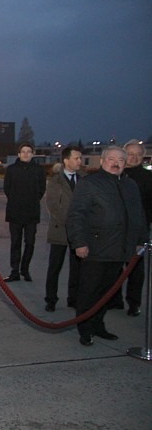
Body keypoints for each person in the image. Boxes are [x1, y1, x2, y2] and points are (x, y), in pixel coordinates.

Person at [66, 146, 146, 346]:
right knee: (89, 292)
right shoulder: (90, 183)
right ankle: (85, 329)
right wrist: (79, 243)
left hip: (120, 250)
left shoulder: (130, 185)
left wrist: (139, 242)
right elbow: (76, 215)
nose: (116, 163)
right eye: (111, 159)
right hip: (95, 249)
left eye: (120, 159)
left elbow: (138, 216)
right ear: (102, 161)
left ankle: (98, 325)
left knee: (107, 292)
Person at [44, 146, 84, 312]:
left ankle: (73, 298)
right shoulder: (55, 181)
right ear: (66, 160)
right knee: (55, 267)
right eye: (76, 158)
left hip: (79, 233)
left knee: (77, 268)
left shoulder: (83, 180)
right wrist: (70, 223)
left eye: (80, 158)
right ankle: (51, 299)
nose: (79, 161)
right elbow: (53, 205)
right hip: (60, 229)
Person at [3, 142, 46, 282]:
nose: (26, 154)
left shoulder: (38, 170)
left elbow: (41, 189)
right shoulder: (11, 170)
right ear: (18, 154)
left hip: (31, 213)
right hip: (15, 212)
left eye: (29, 151)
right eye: (23, 151)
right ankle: (14, 271)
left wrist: (32, 200)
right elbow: (7, 189)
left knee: (29, 242)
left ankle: (25, 269)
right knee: (15, 243)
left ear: (33, 153)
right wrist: (16, 200)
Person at [118, 140, 152, 316]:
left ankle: (134, 303)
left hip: (138, 232)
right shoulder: (116, 174)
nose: (134, 157)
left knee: (136, 271)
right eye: (131, 154)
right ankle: (113, 300)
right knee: (113, 269)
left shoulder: (148, 177)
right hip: (116, 231)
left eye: (138, 154)